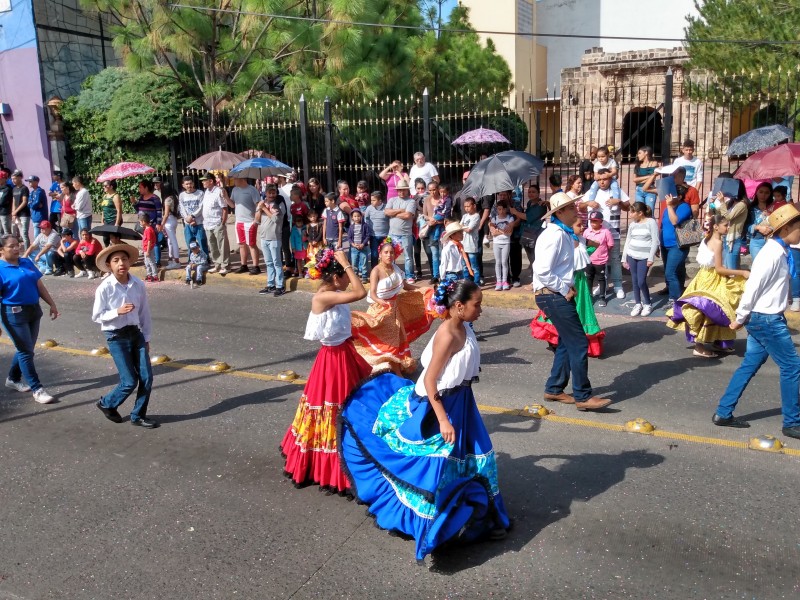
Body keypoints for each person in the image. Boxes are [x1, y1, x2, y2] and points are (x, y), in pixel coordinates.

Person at [341, 279, 510, 561]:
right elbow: (430, 380)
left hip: (462, 402)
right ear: (458, 307)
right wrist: (443, 420)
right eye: (476, 304)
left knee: (477, 458)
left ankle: (488, 516)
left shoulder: (463, 325)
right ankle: (444, 523)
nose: (481, 309)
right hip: (440, 405)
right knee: (438, 464)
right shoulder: (448, 335)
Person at [281, 249, 370, 493]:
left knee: (349, 404)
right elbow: (361, 292)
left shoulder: (334, 293)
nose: (347, 280)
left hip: (344, 355)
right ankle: (329, 464)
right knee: (335, 407)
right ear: (335, 277)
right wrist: (346, 263)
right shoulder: (323, 297)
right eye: (343, 276)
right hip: (333, 360)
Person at [712, 203, 800, 439]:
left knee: (750, 364)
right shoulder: (770, 255)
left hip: (768, 317)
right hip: (766, 320)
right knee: (792, 367)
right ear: (785, 228)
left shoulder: (781, 252)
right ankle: (792, 422)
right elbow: (752, 288)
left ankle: (723, 413)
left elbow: (776, 286)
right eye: (799, 227)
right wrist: (740, 318)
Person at [532, 193, 611, 410]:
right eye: (569, 208)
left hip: (554, 293)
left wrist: (567, 285)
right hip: (551, 294)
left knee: (568, 342)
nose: (575, 211)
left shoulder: (564, 234)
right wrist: (564, 288)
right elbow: (542, 271)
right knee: (578, 343)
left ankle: (554, 389)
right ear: (559, 213)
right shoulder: (554, 235)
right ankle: (583, 396)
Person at [92, 242, 158, 429]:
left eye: (124, 259)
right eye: (116, 260)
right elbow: (97, 316)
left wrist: (146, 338)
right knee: (129, 381)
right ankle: (106, 403)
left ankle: (138, 415)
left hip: (135, 334)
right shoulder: (105, 288)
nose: (121, 263)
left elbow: (144, 313)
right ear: (109, 266)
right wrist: (116, 312)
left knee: (146, 377)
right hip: (116, 336)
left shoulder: (137, 284)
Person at [667, 215, 750, 358]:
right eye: (725, 225)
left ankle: (718, 341)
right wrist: (741, 272)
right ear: (716, 227)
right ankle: (699, 346)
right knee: (709, 309)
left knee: (714, 308)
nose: (728, 227)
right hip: (711, 278)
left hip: (703, 275)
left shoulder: (707, 238)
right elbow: (719, 268)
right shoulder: (717, 242)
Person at [351, 237, 435, 375]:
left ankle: (396, 369)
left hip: (394, 309)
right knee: (385, 341)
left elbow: (406, 286)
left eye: (391, 252)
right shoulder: (376, 271)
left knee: (396, 339)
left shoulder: (396, 268)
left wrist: (422, 289)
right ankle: (393, 372)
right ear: (380, 254)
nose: (389, 255)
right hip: (380, 311)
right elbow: (372, 293)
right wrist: (381, 302)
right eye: (386, 252)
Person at [531, 215, 605, 357]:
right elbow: (547, 266)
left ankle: (576, 343)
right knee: (562, 313)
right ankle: (557, 341)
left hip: (580, 281)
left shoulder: (580, 239)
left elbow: (594, 246)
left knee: (579, 311)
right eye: (579, 225)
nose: (582, 227)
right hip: (566, 281)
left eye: (583, 225)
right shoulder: (562, 239)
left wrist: (588, 245)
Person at [0, 233, 59, 404]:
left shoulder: (26, 262)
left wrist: (52, 304)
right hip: (13, 314)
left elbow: (38, 284)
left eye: (18, 244)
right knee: (26, 351)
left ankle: (12, 378)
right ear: (1, 250)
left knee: (26, 349)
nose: (17, 248)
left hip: (33, 311)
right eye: (11, 246)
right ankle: (37, 389)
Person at [584, 168, 629, 299]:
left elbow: (628, 207)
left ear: (610, 179)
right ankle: (601, 285)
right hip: (594, 235)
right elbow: (580, 206)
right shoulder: (592, 192)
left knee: (614, 259)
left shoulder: (617, 191)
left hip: (613, 232)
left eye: (605, 179)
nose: (602, 182)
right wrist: (588, 203)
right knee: (597, 262)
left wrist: (619, 201)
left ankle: (618, 285)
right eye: (599, 180)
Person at [621, 202, 659, 317]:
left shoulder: (651, 222)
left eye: (633, 212)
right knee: (634, 280)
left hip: (644, 257)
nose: (630, 214)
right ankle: (638, 303)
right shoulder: (632, 225)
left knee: (641, 281)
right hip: (632, 255)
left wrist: (651, 257)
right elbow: (628, 241)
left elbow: (655, 241)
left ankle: (648, 303)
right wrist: (624, 258)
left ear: (640, 213)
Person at [659, 189, 693, 307]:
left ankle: (674, 299)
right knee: (677, 269)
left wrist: (669, 206)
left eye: (671, 195)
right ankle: (675, 290)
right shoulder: (667, 209)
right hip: (665, 244)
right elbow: (663, 226)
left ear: (679, 197)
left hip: (677, 245)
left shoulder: (684, 207)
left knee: (670, 272)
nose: (668, 197)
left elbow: (675, 221)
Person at [710, 176, 748, 269]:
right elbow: (720, 213)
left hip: (734, 239)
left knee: (731, 267)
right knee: (726, 265)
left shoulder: (742, 204)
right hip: (727, 237)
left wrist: (722, 202)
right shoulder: (731, 202)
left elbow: (729, 217)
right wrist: (713, 204)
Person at [256, 185, 286, 297]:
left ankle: (280, 285)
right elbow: (257, 220)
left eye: (274, 193)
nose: (272, 195)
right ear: (266, 193)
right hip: (264, 237)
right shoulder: (262, 203)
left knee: (277, 262)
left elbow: (275, 219)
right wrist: (260, 209)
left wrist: (264, 209)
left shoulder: (278, 205)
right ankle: (270, 284)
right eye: (270, 192)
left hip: (274, 237)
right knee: (268, 263)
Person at [384, 179, 417, 283]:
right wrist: (400, 211)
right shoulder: (392, 200)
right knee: (390, 255)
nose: (401, 192)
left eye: (403, 190)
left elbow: (408, 215)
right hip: (392, 233)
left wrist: (394, 213)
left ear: (407, 190)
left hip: (405, 233)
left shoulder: (411, 201)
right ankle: (392, 274)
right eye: (399, 190)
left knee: (408, 256)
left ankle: (409, 275)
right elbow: (386, 212)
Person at [228, 177, 262, 275]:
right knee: (242, 244)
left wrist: (256, 220)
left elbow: (258, 205)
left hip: (249, 221)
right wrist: (225, 197)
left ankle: (256, 266)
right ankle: (244, 265)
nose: (233, 181)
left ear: (241, 179)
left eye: (235, 179)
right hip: (239, 221)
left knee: (251, 244)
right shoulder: (235, 190)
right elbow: (232, 205)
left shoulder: (252, 190)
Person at [582, 210, 614, 308]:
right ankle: (589, 296)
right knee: (589, 278)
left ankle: (602, 297)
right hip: (589, 260)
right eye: (591, 221)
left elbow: (610, 245)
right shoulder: (587, 231)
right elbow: (583, 243)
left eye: (595, 221)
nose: (593, 223)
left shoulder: (606, 232)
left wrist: (602, 253)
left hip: (600, 261)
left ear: (601, 221)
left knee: (601, 279)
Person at [200, 173, 230, 275]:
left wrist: (223, 222)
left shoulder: (219, 192)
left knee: (222, 245)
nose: (203, 182)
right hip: (208, 224)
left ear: (211, 181)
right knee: (212, 246)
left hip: (217, 223)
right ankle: (217, 264)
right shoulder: (206, 192)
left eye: (205, 180)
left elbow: (224, 208)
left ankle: (225, 265)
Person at [134, 179, 164, 267]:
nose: (139, 189)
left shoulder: (155, 198)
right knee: (146, 242)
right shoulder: (141, 198)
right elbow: (138, 209)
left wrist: (158, 223)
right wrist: (134, 203)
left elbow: (159, 211)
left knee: (155, 242)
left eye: (141, 187)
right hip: (143, 224)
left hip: (153, 223)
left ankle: (157, 261)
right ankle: (148, 261)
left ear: (146, 188)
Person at [179, 176, 209, 258]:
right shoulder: (182, 195)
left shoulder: (200, 193)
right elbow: (182, 208)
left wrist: (192, 216)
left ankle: (205, 259)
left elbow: (201, 207)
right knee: (190, 242)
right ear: (183, 185)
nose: (189, 185)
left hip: (198, 222)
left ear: (193, 183)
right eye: (187, 184)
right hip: (188, 224)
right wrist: (187, 218)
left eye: (190, 183)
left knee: (202, 242)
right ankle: (191, 259)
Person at [745, 182, 774, 261]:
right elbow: (746, 226)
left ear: (770, 194)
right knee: (758, 266)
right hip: (756, 242)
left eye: (766, 193)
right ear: (756, 192)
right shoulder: (750, 208)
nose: (763, 195)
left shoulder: (774, 208)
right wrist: (757, 227)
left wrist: (771, 228)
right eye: (761, 192)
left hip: (772, 241)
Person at [490, 200, 515, 290]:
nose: (500, 211)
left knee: (504, 262)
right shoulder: (494, 219)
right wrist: (502, 232)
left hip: (506, 243)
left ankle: (505, 281)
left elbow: (509, 232)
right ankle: (498, 281)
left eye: (502, 209)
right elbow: (493, 232)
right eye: (498, 209)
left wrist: (498, 231)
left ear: (505, 209)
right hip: (496, 243)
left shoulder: (510, 218)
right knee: (498, 262)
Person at [364, 191, 389, 269]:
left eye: (374, 200)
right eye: (371, 200)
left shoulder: (387, 208)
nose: (371, 202)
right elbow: (366, 219)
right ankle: (374, 270)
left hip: (385, 235)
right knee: (374, 254)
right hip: (373, 236)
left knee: (387, 253)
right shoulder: (369, 208)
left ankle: (387, 269)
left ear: (380, 201)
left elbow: (390, 220)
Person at [160, 184, 182, 269]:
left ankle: (176, 261)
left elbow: (165, 214)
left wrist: (162, 224)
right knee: (170, 241)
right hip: (173, 219)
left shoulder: (167, 200)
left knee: (173, 241)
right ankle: (172, 259)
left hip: (169, 221)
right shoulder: (174, 197)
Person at [460, 197, 481, 283]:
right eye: (465, 206)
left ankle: (477, 283)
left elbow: (469, 229)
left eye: (468, 206)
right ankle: (467, 282)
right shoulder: (464, 216)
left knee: (474, 266)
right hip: (463, 244)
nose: (466, 208)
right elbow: (459, 226)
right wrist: (462, 227)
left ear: (474, 206)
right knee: (464, 265)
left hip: (471, 244)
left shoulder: (476, 216)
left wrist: (462, 227)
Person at [347, 208, 372, 282]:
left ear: (361, 216)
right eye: (355, 216)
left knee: (364, 262)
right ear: (352, 217)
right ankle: (355, 277)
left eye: (358, 216)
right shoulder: (351, 226)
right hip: (354, 248)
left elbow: (367, 236)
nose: (357, 218)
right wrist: (353, 244)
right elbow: (349, 237)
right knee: (354, 263)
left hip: (363, 247)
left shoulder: (365, 225)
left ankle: (364, 277)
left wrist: (363, 244)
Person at [633, 146, 660, 213]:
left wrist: (641, 179)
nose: (638, 155)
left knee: (649, 211)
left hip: (650, 190)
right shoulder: (638, 165)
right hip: (639, 189)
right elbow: (634, 180)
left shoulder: (654, 163)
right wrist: (649, 176)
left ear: (646, 153)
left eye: (639, 153)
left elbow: (653, 178)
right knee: (639, 211)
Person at [10, 171, 31, 249]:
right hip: (16, 214)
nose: (13, 180)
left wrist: (16, 211)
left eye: (14, 179)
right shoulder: (14, 189)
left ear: (20, 178)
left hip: (24, 214)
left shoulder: (24, 188)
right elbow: (14, 201)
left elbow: (24, 202)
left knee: (24, 233)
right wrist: (13, 212)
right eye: (12, 179)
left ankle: (27, 252)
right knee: (15, 233)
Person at [99, 180, 123, 247]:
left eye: (105, 186)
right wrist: (102, 218)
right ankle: (108, 252)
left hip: (114, 219)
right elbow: (104, 209)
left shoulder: (116, 196)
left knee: (114, 238)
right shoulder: (105, 196)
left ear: (111, 187)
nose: (103, 187)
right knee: (105, 238)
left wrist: (117, 223)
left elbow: (119, 211)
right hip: (107, 220)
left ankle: (117, 250)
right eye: (103, 186)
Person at [139, 212, 158, 283]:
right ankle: (149, 274)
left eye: (140, 221)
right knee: (147, 262)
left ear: (143, 222)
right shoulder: (147, 229)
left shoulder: (149, 230)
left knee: (151, 262)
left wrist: (147, 250)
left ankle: (155, 275)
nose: (140, 223)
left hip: (148, 249)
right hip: (145, 249)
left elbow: (149, 241)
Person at [0, 170, 13, 236]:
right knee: (0, 231)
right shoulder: (1, 188)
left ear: (4, 179)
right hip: (0, 212)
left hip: (5, 212)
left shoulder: (7, 189)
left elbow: (2, 201)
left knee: (6, 232)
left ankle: (10, 245)